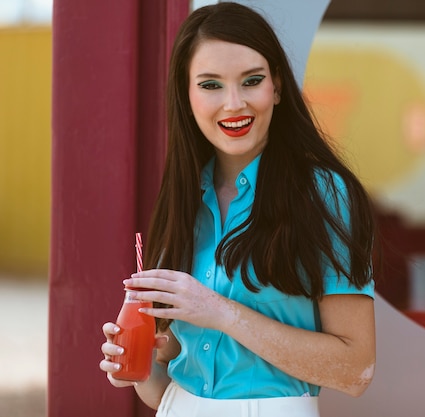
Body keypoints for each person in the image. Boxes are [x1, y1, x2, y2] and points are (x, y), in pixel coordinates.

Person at [99, 3, 377, 416]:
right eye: (210, 85)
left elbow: (356, 370)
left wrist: (219, 312)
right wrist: (136, 368)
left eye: (252, 81)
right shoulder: (184, 196)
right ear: (186, 94)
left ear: (277, 87)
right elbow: (168, 382)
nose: (234, 104)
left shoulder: (323, 192)